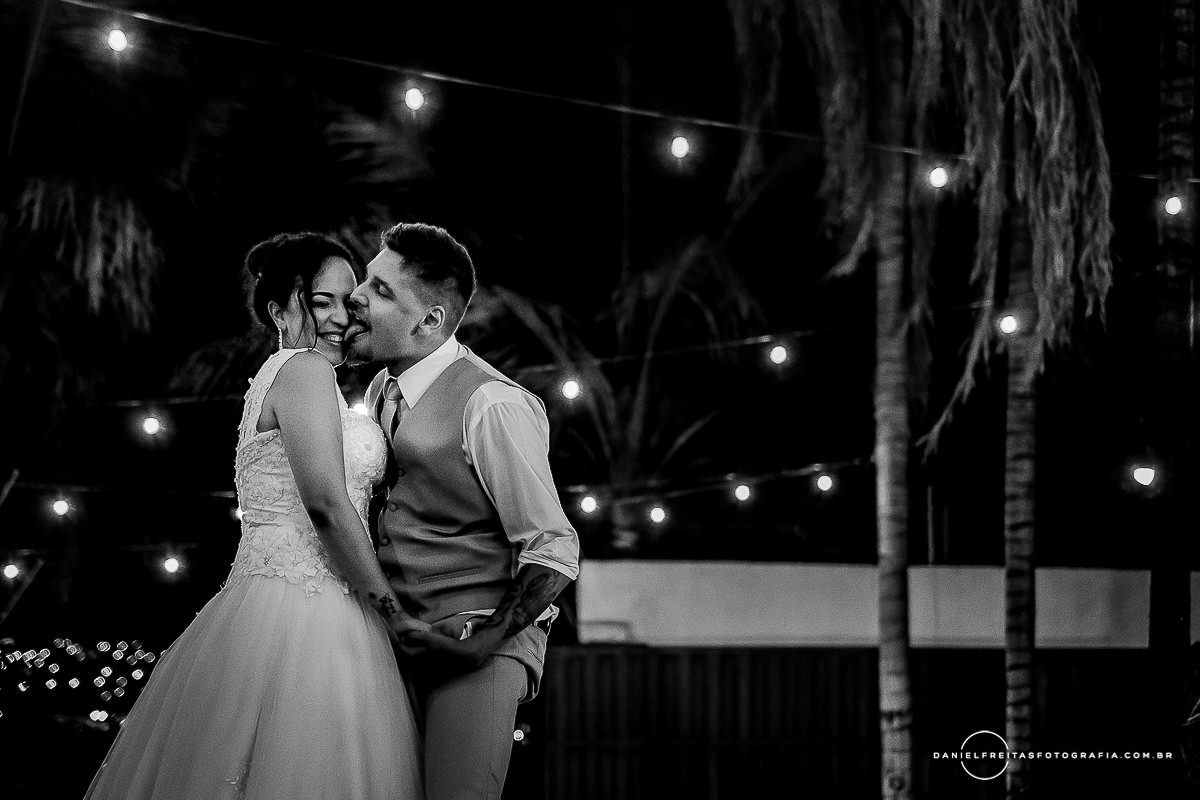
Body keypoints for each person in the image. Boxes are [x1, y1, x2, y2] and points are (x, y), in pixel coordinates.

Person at [83, 233, 425, 800]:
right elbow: (326, 505)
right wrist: (392, 611)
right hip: (311, 609)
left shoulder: (274, 377)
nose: (342, 318)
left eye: (349, 302)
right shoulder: (305, 370)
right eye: (321, 302)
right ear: (277, 310)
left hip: (265, 600)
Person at [345, 222, 581, 800]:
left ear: (429, 320)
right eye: (367, 280)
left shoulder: (493, 403)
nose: (356, 296)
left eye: (380, 291)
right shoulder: (379, 391)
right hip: (398, 638)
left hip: (474, 640)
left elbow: (554, 548)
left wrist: (483, 642)